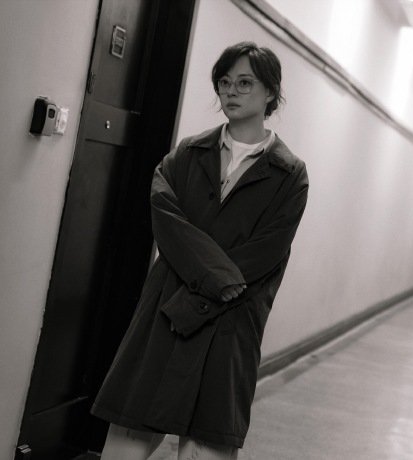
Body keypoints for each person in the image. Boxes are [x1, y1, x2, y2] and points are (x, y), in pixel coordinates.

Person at [91, 41, 309, 460]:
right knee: (127, 438)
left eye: (244, 83)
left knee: (206, 444)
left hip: (229, 322)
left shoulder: (290, 174)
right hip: (167, 313)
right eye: (224, 82)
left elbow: (267, 251)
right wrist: (214, 282)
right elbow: (167, 221)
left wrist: (198, 301)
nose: (231, 91)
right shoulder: (187, 155)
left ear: (270, 92)